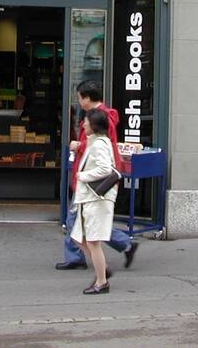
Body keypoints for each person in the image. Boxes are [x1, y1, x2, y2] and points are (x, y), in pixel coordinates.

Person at [56, 80, 139, 271]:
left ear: (86, 98)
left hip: (92, 178)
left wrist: (79, 147)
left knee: (79, 221)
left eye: (79, 97)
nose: (78, 101)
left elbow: (100, 145)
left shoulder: (99, 117)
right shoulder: (102, 115)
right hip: (92, 176)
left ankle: (90, 262)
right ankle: (121, 246)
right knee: (88, 222)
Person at [71, 108, 117, 294]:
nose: (83, 124)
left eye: (86, 122)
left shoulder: (98, 144)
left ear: (94, 125)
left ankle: (101, 281)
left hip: (96, 199)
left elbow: (105, 169)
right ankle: (102, 269)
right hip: (91, 199)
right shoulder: (96, 142)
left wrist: (83, 175)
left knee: (92, 241)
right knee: (79, 238)